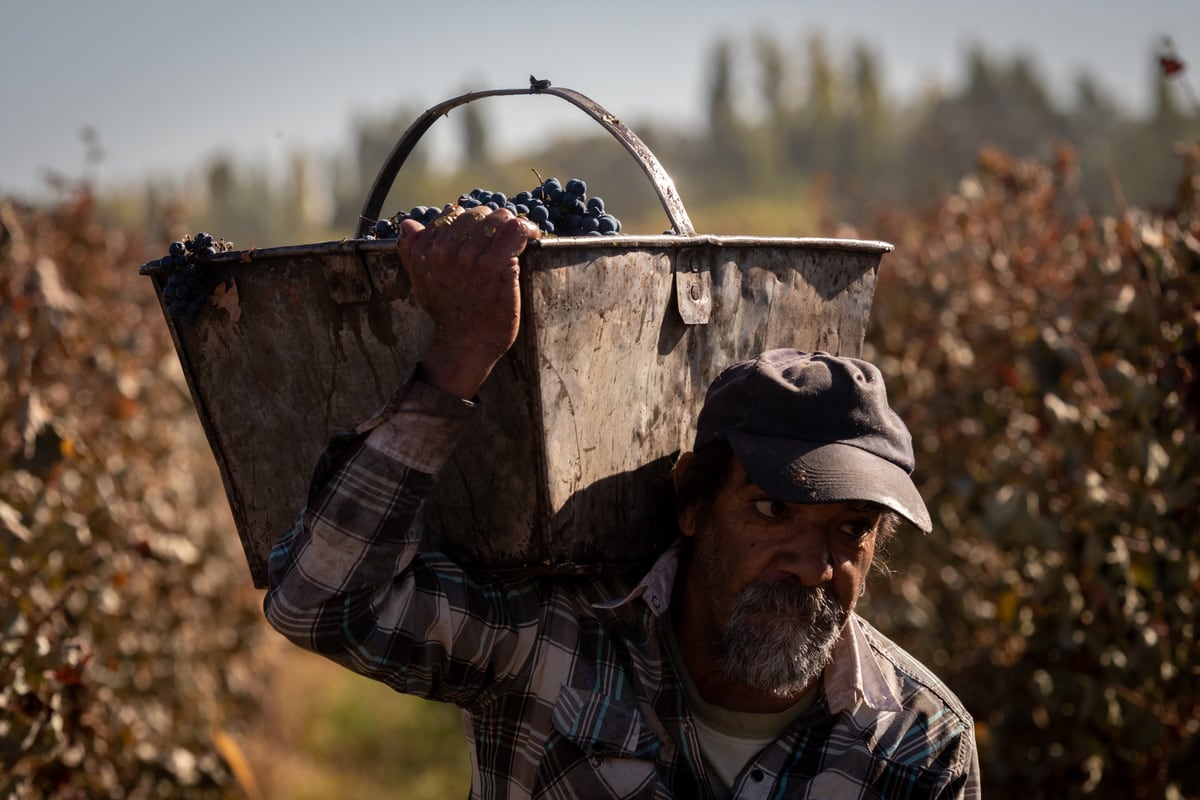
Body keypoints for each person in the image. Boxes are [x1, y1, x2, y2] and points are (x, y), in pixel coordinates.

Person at [264, 204, 981, 798]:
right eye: (772, 511)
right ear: (694, 506)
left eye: (852, 528)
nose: (811, 566)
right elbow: (321, 603)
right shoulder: (554, 647)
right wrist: (461, 350)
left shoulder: (918, 746)